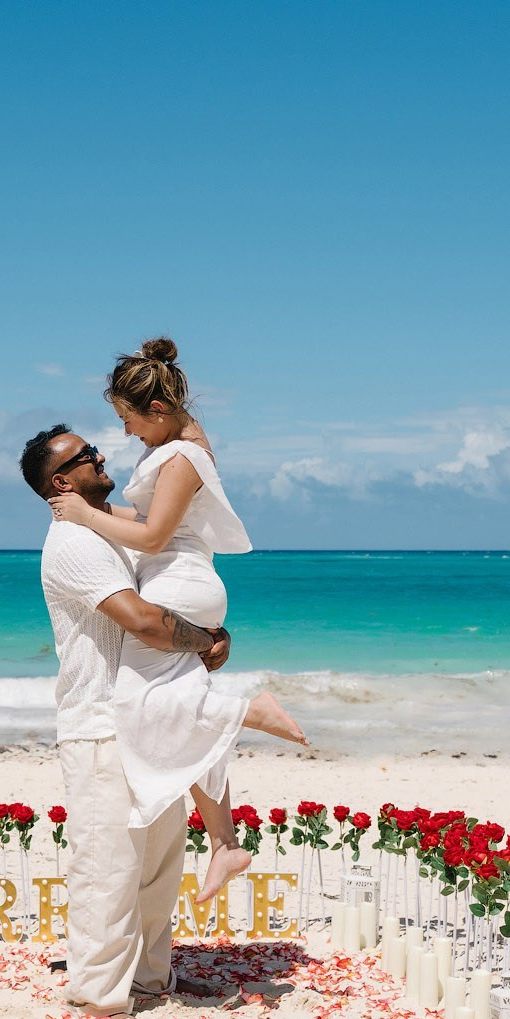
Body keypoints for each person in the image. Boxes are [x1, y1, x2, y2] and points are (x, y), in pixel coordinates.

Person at [49, 337, 307, 907]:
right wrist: (84, 512)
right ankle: (223, 841)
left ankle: (249, 710)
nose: (125, 434)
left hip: (177, 581)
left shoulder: (184, 455)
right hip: (185, 581)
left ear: (158, 411)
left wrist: (86, 514)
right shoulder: (181, 443)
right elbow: (142, 515)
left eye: (128, 419)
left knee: (143, 705)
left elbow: (153, 536)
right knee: (178, 712)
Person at [24, 422, 230, 1016]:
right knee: (107, 866)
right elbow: (141, 619)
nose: (99, 455)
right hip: (100, 725)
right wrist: (203, 640)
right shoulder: (73, 542)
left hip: (149, 720)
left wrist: (206, 634)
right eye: (85, 456)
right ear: (61, 482)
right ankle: (96, 996)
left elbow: (172, 592)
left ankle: (148, 979)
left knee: (159, 865)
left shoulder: (115, 528)